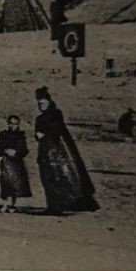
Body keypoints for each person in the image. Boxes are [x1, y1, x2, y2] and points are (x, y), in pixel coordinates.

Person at [32, 86, 98, 214]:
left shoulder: (56, 113)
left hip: (62, 152)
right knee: (48, 178)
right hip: (46, 152)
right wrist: (38, 135)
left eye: (43, 103)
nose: (41, 106)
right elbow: (37, 133)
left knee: (66, 176)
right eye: (39, 104)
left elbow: (57, 130)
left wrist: (45, 134)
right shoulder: (39, 119)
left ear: (49, 102)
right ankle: (53, 206)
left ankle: (65, 205)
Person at [0, 115, 32, 212]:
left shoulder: (21, 136)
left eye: (15, 124)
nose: (13, 126)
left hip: (17, 163)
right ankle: (5, 203)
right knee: (5, 181)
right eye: (11, 123)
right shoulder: (3, 134)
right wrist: (5, 151)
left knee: (15, 183)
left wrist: (16, 153)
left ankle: (12, 205)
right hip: (6, 162)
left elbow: (24, 150)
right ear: (8, 124)